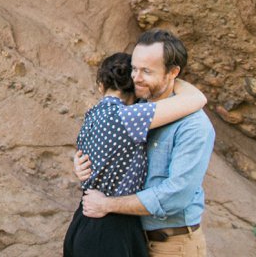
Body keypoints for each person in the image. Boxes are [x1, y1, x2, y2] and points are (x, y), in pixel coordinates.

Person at [76, 29, 216, 257]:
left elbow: (176, 195)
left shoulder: (193, 125)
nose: (135, 77)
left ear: (173, 73)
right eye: (134, 68)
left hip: (172, 245)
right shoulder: (134, 108)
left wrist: (108, 204)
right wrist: (81, 161)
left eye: (146, 71)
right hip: (132, 239)